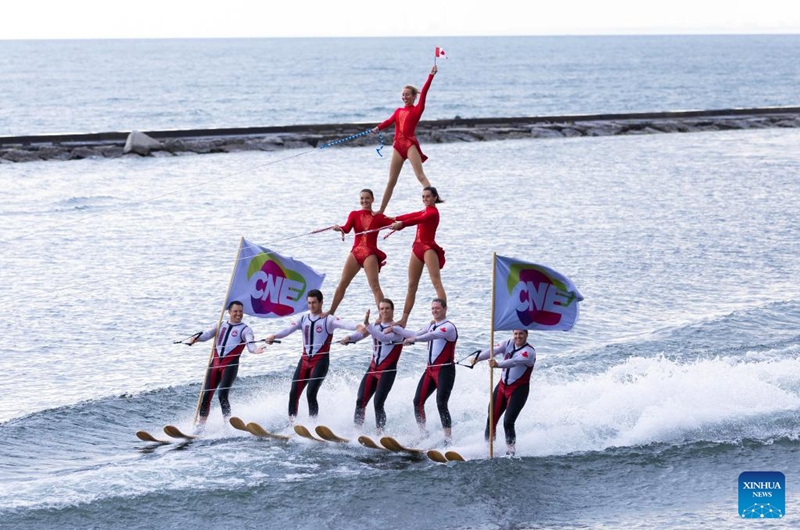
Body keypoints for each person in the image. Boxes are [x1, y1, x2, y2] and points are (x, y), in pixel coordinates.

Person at [264, 289, 360, 422]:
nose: (311, 306)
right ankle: (292, 424)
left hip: (320, 361)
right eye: (309, 303)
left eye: (314, 302)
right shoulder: (303, 319)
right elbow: (287, 330)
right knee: (293, 393)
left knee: (311, 393)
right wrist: (274, 336)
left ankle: (313, 424)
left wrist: (358, 326)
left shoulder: (329, 320)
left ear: (321, 303)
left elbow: (345, 324)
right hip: (304, 361)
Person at [372, 64, 438, 214]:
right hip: (397, 146)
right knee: (391, 181)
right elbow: (389, 121)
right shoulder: (398, 110)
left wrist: (431, 76)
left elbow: (425, 92)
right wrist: (378, 128)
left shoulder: (417, 109)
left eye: (408, 94)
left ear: (414, 96)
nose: (405, 97)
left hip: (409, 145)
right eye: (403, 95)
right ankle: (381, 210)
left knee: (420, 176)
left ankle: (432, 203)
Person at [188, 300, 264, 429]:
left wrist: (255, 350)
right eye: (235, 311)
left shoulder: (245, 330)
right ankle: (200, 427)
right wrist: (196, 338)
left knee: (222, 394)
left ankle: (228, 425)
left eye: (240, 311)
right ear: (229, 312)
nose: (238, 314)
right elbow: (206, 335)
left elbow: (250, 344)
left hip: (230, 366)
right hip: (215, 364)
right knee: (206, 394)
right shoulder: (220, 325)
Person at [393, 298, 457, 444]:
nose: (434, 311)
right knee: (417, 401)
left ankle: (448, 439)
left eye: (437, 308)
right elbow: (415, 333)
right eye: (433, 308)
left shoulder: (449, 327)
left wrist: (414, 340)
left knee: (441, 403)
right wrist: (395, 329)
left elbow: (431, 336)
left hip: (445, 371)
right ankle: (423, 434)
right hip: (430, 370)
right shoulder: (431, 325)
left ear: (445, 309)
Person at [340, 298, 408, 433]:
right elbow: (361, 334)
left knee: (378, 403)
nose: (384, 311)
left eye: (387, 308)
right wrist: (349, 338)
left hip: (387, 371)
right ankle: (356, 431)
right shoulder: (375, 326)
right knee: (360, 401)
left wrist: (368, 324)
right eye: (381, 309)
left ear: (392, 310)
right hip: (372, 369)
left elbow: (383, 337)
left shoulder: (397, 329)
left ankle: (380, 433)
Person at [328, 189, 394, 316]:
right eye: (362, 198)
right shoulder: (354, 214)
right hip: (356, 252)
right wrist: (339, 228)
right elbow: (346, 229)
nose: (364, 201)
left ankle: (383, 317)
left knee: (375, 286)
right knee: (342, 283)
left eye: (367, 198)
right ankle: (331, 312)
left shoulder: (378, 217)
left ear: (372, 200)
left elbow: (395, 222)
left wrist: (404, 222)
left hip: (369, 253)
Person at [472, 330, 536, 456]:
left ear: (526, 335)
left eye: (521, 334)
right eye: (516, 334)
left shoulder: (529, 352)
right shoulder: (506, 344)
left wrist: (498, 364)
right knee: (491, 418)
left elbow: (514, 362)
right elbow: (492, 352)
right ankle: (488, 449)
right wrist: (477, 359)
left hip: (518, 390)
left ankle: (511, 451)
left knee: (508, 421)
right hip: (501, 387)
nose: (518, 336)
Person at [391, 185, 446, 328]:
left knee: (436, 282)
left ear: (435, 197)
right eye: (423, 197)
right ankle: (403, 320)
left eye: (428, 196)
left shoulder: (433, 212)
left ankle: (441, 317)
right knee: (411, 285)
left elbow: (417, 220)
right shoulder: (424, 210)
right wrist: (393, 218)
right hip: (417, 248)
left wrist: (401, 224)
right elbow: (412, 215)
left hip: (428, 248)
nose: (425, 199)